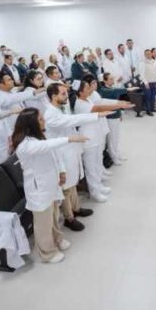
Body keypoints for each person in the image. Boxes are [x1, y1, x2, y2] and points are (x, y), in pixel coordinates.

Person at [11, 108, 86, 263]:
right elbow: (47, 146)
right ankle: (47, 253)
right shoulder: (25, 144)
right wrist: (69, 139)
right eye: (40, 119)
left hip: (51, 183)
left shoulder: (40, 136)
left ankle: (57, 240)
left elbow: (55, 154)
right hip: (39, 189)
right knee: (43, 223)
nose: (43, 121)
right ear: (31, 124)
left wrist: (61, 171)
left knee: (53, 216)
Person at [44, 83, 103, 224]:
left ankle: (76, 208)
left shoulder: (62, 108)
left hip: (70, 151)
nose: (67, 96)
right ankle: (69, 218)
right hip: (61, 155)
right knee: (65, 187)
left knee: (72, 184)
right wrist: (96, 115)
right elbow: (72, 120)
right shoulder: (50, 114)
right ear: (54, 96)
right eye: (63, 94)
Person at [73, 75, 133, 202]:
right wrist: (118, 106)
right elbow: (98, 108)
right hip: (88, 138)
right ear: (80, 92)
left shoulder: (87, 100)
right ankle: (94, 192)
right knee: (90, 167)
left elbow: (101, 103)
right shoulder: (80, 104)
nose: (90, 89)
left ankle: (99, 186)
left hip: (95, 135)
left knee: (96, 163)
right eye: (87, 87)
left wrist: (118, 103)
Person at [98, 72, 133, 163]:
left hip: (116, 116)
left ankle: (117, 154)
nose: (113, 80)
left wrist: (119, 114)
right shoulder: (104, 90)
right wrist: (127, 89)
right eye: (110, 79)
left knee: (116, 137)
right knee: (111, 139)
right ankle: (113, 157)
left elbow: (117, 102)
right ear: (105, 81)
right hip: (110, 118)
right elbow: (116, 92)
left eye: (113, 78)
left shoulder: (111, 88)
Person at [140, 48, 156, 116]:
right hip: (147, 83)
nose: (148, 55)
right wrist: (145, 83)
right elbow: (142, 74)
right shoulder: (142, 63)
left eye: (149, 54)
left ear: (151, 54)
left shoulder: (154, 62)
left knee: (153, 96)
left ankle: (152, 108)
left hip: (153, 82)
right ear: (144, 55)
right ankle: (148, 110)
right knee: (147, 97)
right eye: (147, 54)